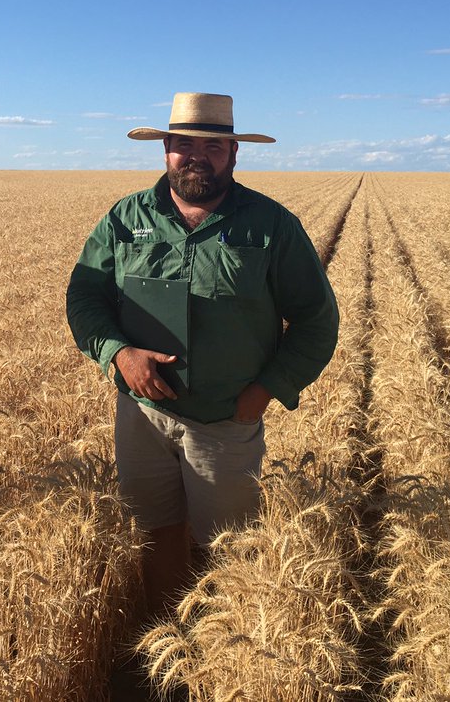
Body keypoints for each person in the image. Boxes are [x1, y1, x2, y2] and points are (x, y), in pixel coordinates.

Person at [66, 92, 339, 614]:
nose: (196, 155)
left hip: (224, 420)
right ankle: (168, 636)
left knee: (229, 551)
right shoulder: (126, 218)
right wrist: (119, 355)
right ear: (165, 149)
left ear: (234, 154)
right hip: (142, 416)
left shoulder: (270, 226)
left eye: (212, 145)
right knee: (155, 533)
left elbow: (317, 320)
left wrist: (266, 390)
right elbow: (85, 297)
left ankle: (223, 658)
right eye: (183, 144)